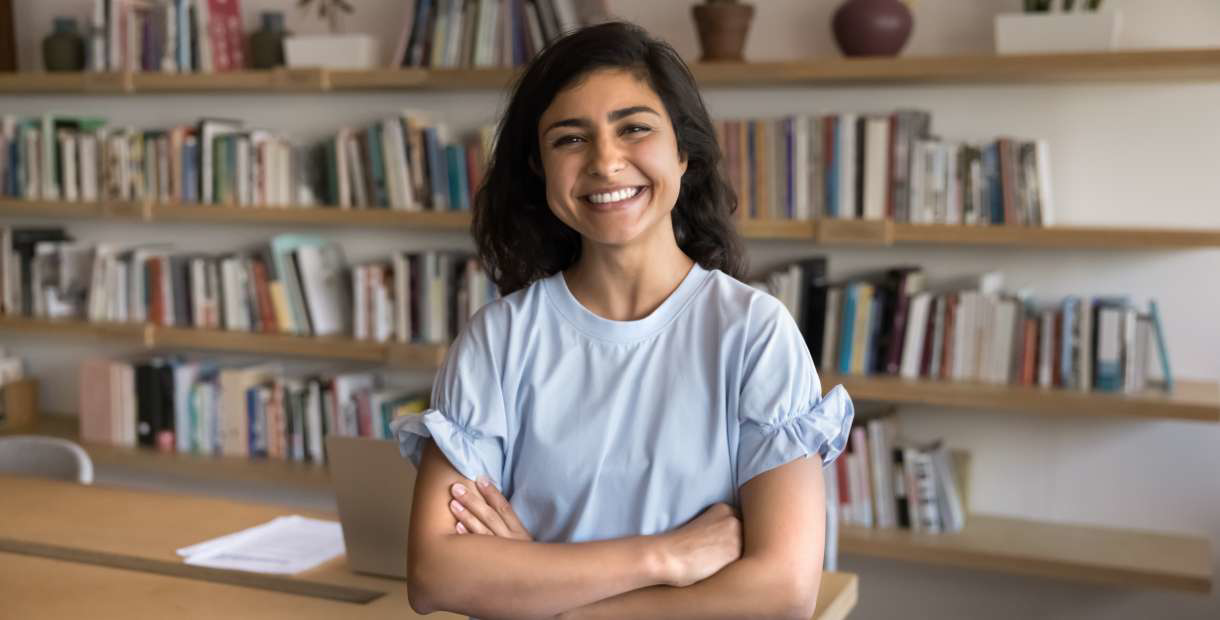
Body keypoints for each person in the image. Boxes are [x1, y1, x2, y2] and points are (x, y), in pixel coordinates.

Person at [391, 21, 854, 620]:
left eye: (634, 128)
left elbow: (782, 592)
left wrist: (544, 590)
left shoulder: (753, 333)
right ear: (539, 167)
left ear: (683, 153)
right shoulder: (497, 339)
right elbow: (437, 576)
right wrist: (665, 557)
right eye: (569, 139)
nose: (606, 163)